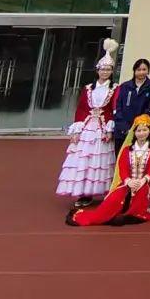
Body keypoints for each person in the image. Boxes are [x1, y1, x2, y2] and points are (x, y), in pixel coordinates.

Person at [66, 114, 150, 227]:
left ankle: (129, 215)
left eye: (144, 130)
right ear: (134, 132)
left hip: (144, 183)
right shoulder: (127, 149)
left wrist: (142, 181)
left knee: (141, 195)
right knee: (113, 200)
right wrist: (129, 181)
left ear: (149, 131)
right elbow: (123, 168)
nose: (142, 133)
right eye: (139, 130)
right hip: (127, 183)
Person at [57, 38, 118, 207]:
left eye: (108, 69)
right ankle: (84, 193)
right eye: (102, 69)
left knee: (101, 161)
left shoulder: (115, 88)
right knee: (84, 159)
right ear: (97, 70)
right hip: (88, 127)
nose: (105, 72)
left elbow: (113, 109)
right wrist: (77, 129)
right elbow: (82, 108)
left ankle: (102, 190)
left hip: (102, 129)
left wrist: (109, 128)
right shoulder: (88, 88)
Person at [112, 57, 150, 151]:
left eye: (144, 69)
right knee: (121, 155)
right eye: (138, 69)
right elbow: (118, 106)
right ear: (134, 70)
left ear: (148, 71)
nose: (141, 72)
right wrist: (124, 127)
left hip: (141, 131)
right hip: (122, 131)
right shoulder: (125, 86)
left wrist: (138, 127)